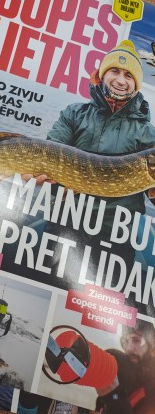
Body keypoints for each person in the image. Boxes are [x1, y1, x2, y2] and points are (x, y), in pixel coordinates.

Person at [23, 40, 155, 303]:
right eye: (114, 71)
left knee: (102, 310)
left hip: (114, 235)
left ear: (136, 84)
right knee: (44, 297)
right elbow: (51, 153)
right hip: (65, 223)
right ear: (101, 74)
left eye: (129, 75)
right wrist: (35, 174)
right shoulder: (75, 114)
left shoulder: (147, 134)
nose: (121, 80)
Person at [95, 319, 155, 414]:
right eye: (125, 341)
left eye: (136, 340)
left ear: (151, 345)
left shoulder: (152, 386)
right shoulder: (122, 373)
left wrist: (113, 395)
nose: (129, 348)